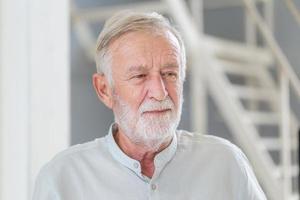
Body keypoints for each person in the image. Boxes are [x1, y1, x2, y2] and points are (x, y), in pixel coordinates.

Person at [33, 11, 266, 200]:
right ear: (104, 89)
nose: (160, 91)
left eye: (170, 73)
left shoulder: (226, 163)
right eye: (140, 76)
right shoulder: (62, 179)